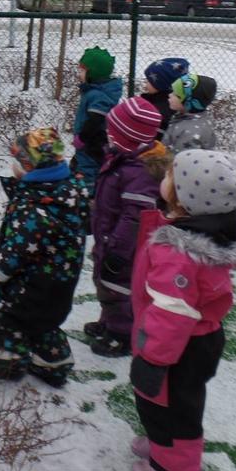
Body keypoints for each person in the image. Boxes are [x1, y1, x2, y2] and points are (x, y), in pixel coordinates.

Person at [129, 150, 236, 471]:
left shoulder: (178, 254)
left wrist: (152, 360)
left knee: (173, 408)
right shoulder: (201, 229)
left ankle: (173, 464)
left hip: (177, 346)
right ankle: (162, 444)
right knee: (169, 403)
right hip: (193, 338)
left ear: (184, 197)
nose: (162, 178)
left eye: (168, 177)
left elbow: (172, 311)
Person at [0, 128, 89, 388]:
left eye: (19, 160)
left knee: (0, 319)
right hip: (62, 282)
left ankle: (8, 362)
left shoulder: (33, 209)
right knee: (44, 324)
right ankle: (55, 365)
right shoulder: (68, 193)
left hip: (32, 285)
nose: (13, 165)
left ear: (31, 166)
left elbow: (14, 255)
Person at [85, 96, 169, 358]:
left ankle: (122, 334)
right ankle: (109, 321)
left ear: (127, 136)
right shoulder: (122, 158)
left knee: (118, 288)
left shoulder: (139, 173)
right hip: (109, 238)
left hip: (124, 248)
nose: (108, 134)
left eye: (113, 130)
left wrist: (119, 251)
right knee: (104, 283)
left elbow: (135, 217)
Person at [71, 46, 123, 194]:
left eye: (82, 70)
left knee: (89, 173)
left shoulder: (97, 95)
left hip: (91, 146)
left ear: (93, 73)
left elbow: (95, 119)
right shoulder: (95, 91)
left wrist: (81, 138)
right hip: (87, 147)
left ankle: (89, 198)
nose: (79, 74)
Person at [165, 74, 218, 152]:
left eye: (175, 94)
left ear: (188, 103)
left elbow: (181, 161)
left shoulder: (191, 133)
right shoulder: (185, 119)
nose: (170, 95)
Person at [141, 58, 190, 138]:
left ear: (161, 85)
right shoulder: (157, 99)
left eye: (149, 81)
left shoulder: (161, 112)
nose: (145, 83)